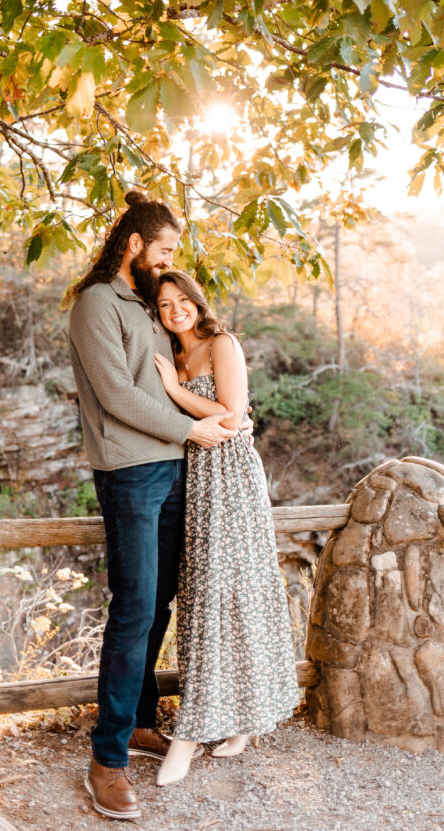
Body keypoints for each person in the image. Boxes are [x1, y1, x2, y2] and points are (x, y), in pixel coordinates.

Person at [67, 191, 238, 821]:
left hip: (173, 469)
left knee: (160, 601)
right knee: (133, 608)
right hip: (130, 472)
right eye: (163, 248)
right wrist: (190, 428)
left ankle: (139, 723)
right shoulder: (95, 304)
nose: (169, 260)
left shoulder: (145, 305)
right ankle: (107, 760)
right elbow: (115, 394)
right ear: (135, 244)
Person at [153, 270, 298, 787]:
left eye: (181, 300)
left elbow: (233, 419)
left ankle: (192, 737)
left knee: (231, 593)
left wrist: (174, 389)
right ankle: (242, 719)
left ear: (196, 300)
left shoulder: (222, 344)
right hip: (192, 478)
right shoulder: (170, 353)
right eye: (164, 304)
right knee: (204, 597)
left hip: (231, 477)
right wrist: (175, 388)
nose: (175, 310)